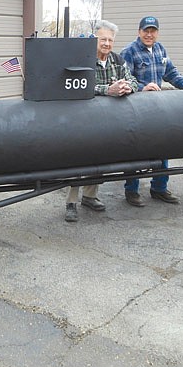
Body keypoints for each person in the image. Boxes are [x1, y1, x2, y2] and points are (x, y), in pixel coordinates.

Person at [119, 16, 183, 207]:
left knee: (162, 145)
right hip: (136, 108)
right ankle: (131, 190)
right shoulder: (129, 52)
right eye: (145, 31)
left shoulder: (160, 50)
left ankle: (159, 188)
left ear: (157, 32)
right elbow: (123, 78)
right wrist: (142, 87)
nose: (149, 34)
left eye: (153, 31)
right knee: (136, 149)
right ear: (139, 31)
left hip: (157, 109)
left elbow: (171, 73)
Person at [65, 20, 138, 222]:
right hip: (84, 118)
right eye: (103, 39)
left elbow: (132, 79)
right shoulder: (84, 60)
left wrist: (127, 87)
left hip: (106, 120)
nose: (106, 43)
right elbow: (81, 86)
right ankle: (71, 203)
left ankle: (90, 197)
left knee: (97, 158)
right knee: (79, 161)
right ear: (94, 39)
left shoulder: (117, 60)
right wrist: (109, 90)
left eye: (110, 40)